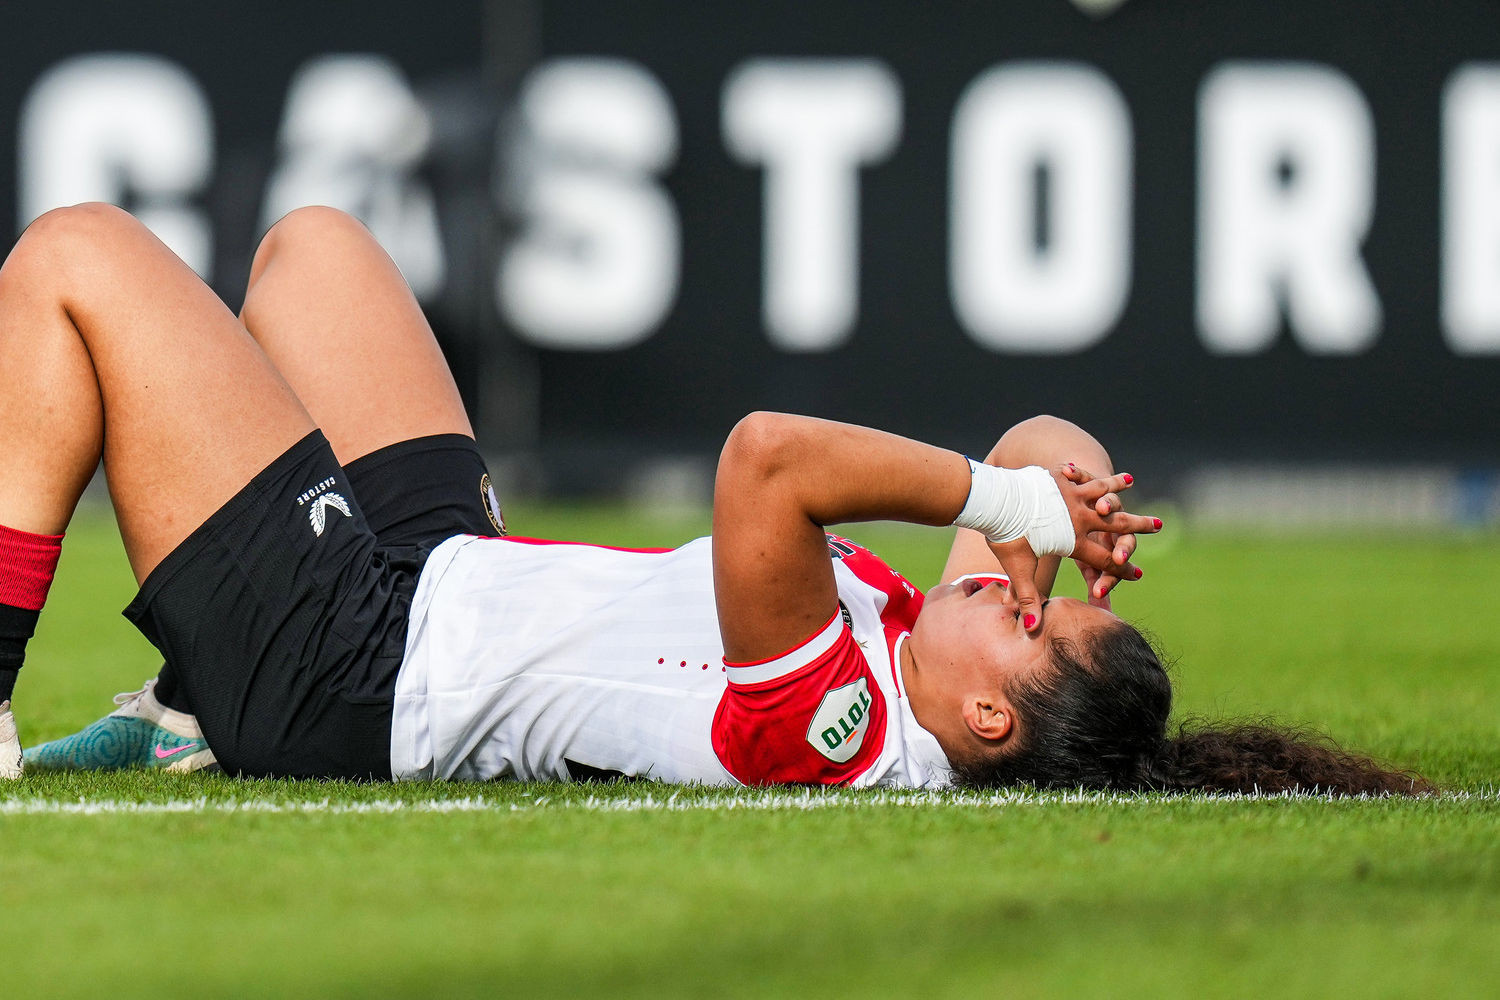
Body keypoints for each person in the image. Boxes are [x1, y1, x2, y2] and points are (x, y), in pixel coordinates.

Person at [2, 204, 1426, 795]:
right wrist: (1066, 497)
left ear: (991, 718)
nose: (1010, 587)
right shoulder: (937, 654)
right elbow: (1035, 440)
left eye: (1035, 628)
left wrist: (1007, 497)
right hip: (444, 580)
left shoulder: (849, 732)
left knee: (74, 257)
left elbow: (765, 460)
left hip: (358, 678)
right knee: (316, 252)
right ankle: (188, 700)